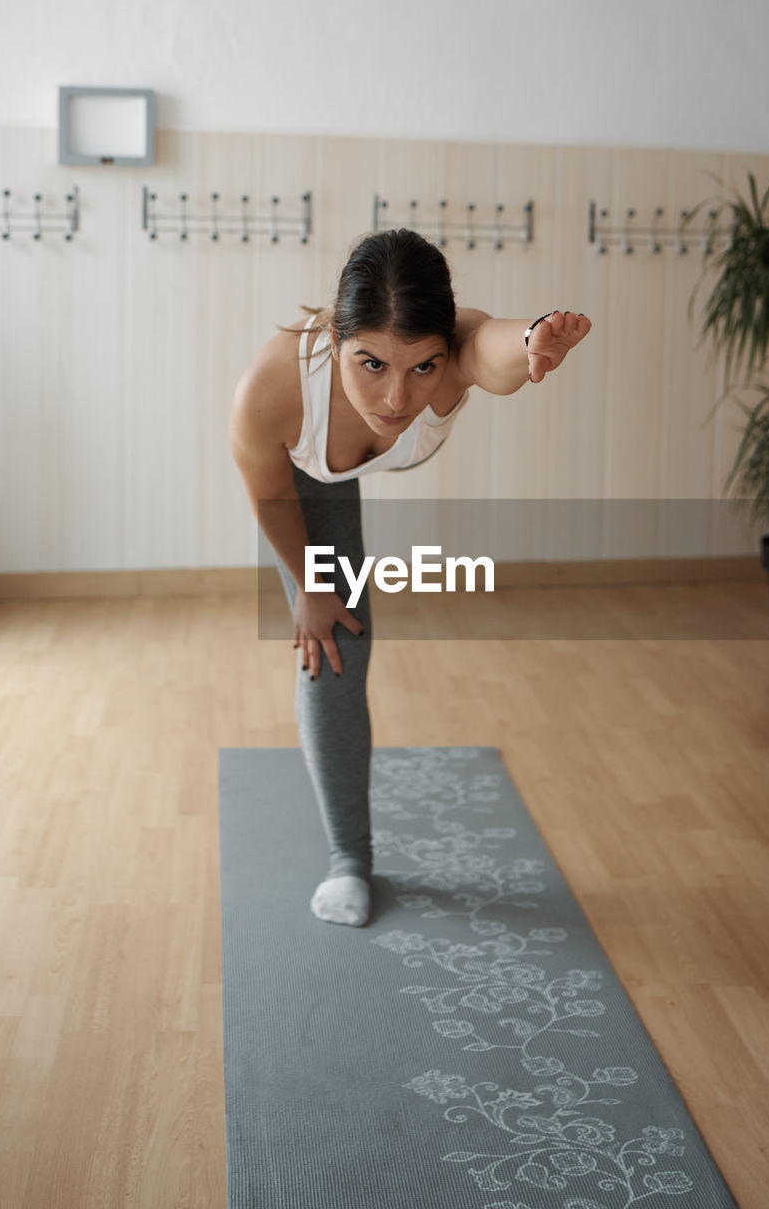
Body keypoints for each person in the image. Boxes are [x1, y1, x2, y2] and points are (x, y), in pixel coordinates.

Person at [229, 228, 591, 928]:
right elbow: (268, 494)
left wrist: (534, 342)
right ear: (335, 340)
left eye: (422, 369)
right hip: (306, 480)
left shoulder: (458, 353)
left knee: (339, 626)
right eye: (370, 364)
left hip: (355, 436)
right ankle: (349, 862)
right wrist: (310, 588)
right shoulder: (272, 393)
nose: (396, 398)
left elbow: (492, 349)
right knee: (335, 644)